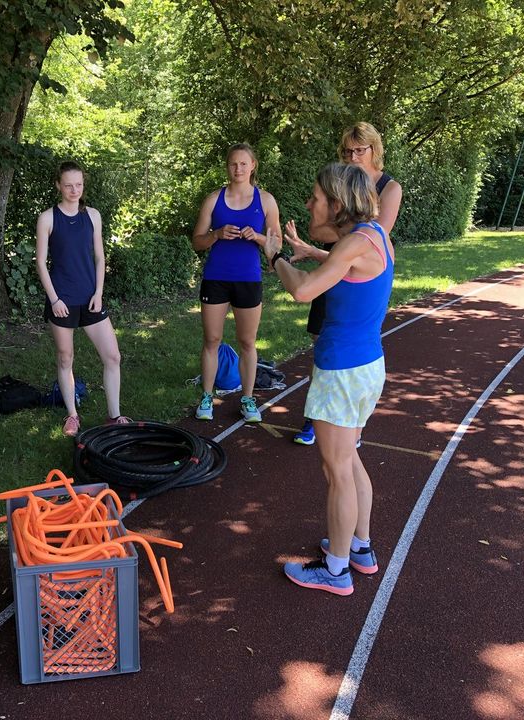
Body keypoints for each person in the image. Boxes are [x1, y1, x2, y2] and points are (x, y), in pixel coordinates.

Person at [264, 162, 395, 595]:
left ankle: (335, 570)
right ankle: (360, 548)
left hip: (341, 371)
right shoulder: (372, 236)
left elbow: (302, 290)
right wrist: (311, 250)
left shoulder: (352, 244)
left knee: (336, 467)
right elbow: (351, 266)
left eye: (316, 197)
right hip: (365, 367)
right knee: (351, 460)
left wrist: (277, 256)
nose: (309, 203)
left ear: (338, 204)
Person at [290, 122, 402, 446]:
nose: (353, 156)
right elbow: (324, 233)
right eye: (348, 150)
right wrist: (318, 249)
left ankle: (340, 424)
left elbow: (355, 243)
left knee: (339, 469)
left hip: (351, 340)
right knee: (321, 336)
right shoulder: (341, 190)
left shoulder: (387, 191)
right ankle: (324, 417)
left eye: (360, 149)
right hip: (338, 272)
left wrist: (276, 259)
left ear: (374, 150)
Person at [35, 161, 129, 437]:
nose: (74, 190)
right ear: (58, 186)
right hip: (62, 300)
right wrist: (54, 299)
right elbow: (41, 262)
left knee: (113, 356)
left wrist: (99, 293)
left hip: (91, 298)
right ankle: (72, 415)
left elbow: (100, 257)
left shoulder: (93, 216)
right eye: (68, 185)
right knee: (66, 358)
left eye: (78, 184)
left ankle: (114, 415)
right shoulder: (48, 218)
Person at [191, 143, 281, 423]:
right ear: (227, 166)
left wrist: (256, 236)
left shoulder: (265, 200)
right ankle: (207, 397)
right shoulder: (213, 199)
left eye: (244, 164)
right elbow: (197, 242)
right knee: (212, 340)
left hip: (248, 278)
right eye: (233, 164)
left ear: (253, 165)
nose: (238, 169)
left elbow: (276, 243)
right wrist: (216, 234)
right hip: (216, 277)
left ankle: (248, 399)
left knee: (247, 342)